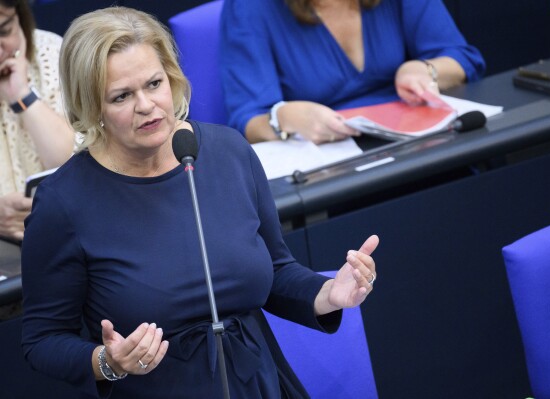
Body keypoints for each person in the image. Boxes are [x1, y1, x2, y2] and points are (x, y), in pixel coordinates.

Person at [20, 7, 379, 398]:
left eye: (154, 83)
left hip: (259, 384)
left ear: (172, 78)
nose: (146, 105)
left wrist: (327, 294)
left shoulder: (228, 152)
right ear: (92, 107)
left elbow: (274, 271)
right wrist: (108, 362)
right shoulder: (64, 203)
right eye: (122, 96)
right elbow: (43, 339)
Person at [219, 0, 486, 144]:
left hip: (423, 145)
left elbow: (462, 58)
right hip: (333, 167)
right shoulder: (248, 6)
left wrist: (425, 69)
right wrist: (289, 117)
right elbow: (249, 119)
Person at [0, 0, 74, 242]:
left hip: (61, 236)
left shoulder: (51, 52)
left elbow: (71, 166)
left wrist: (21, 96)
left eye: (4, 31)